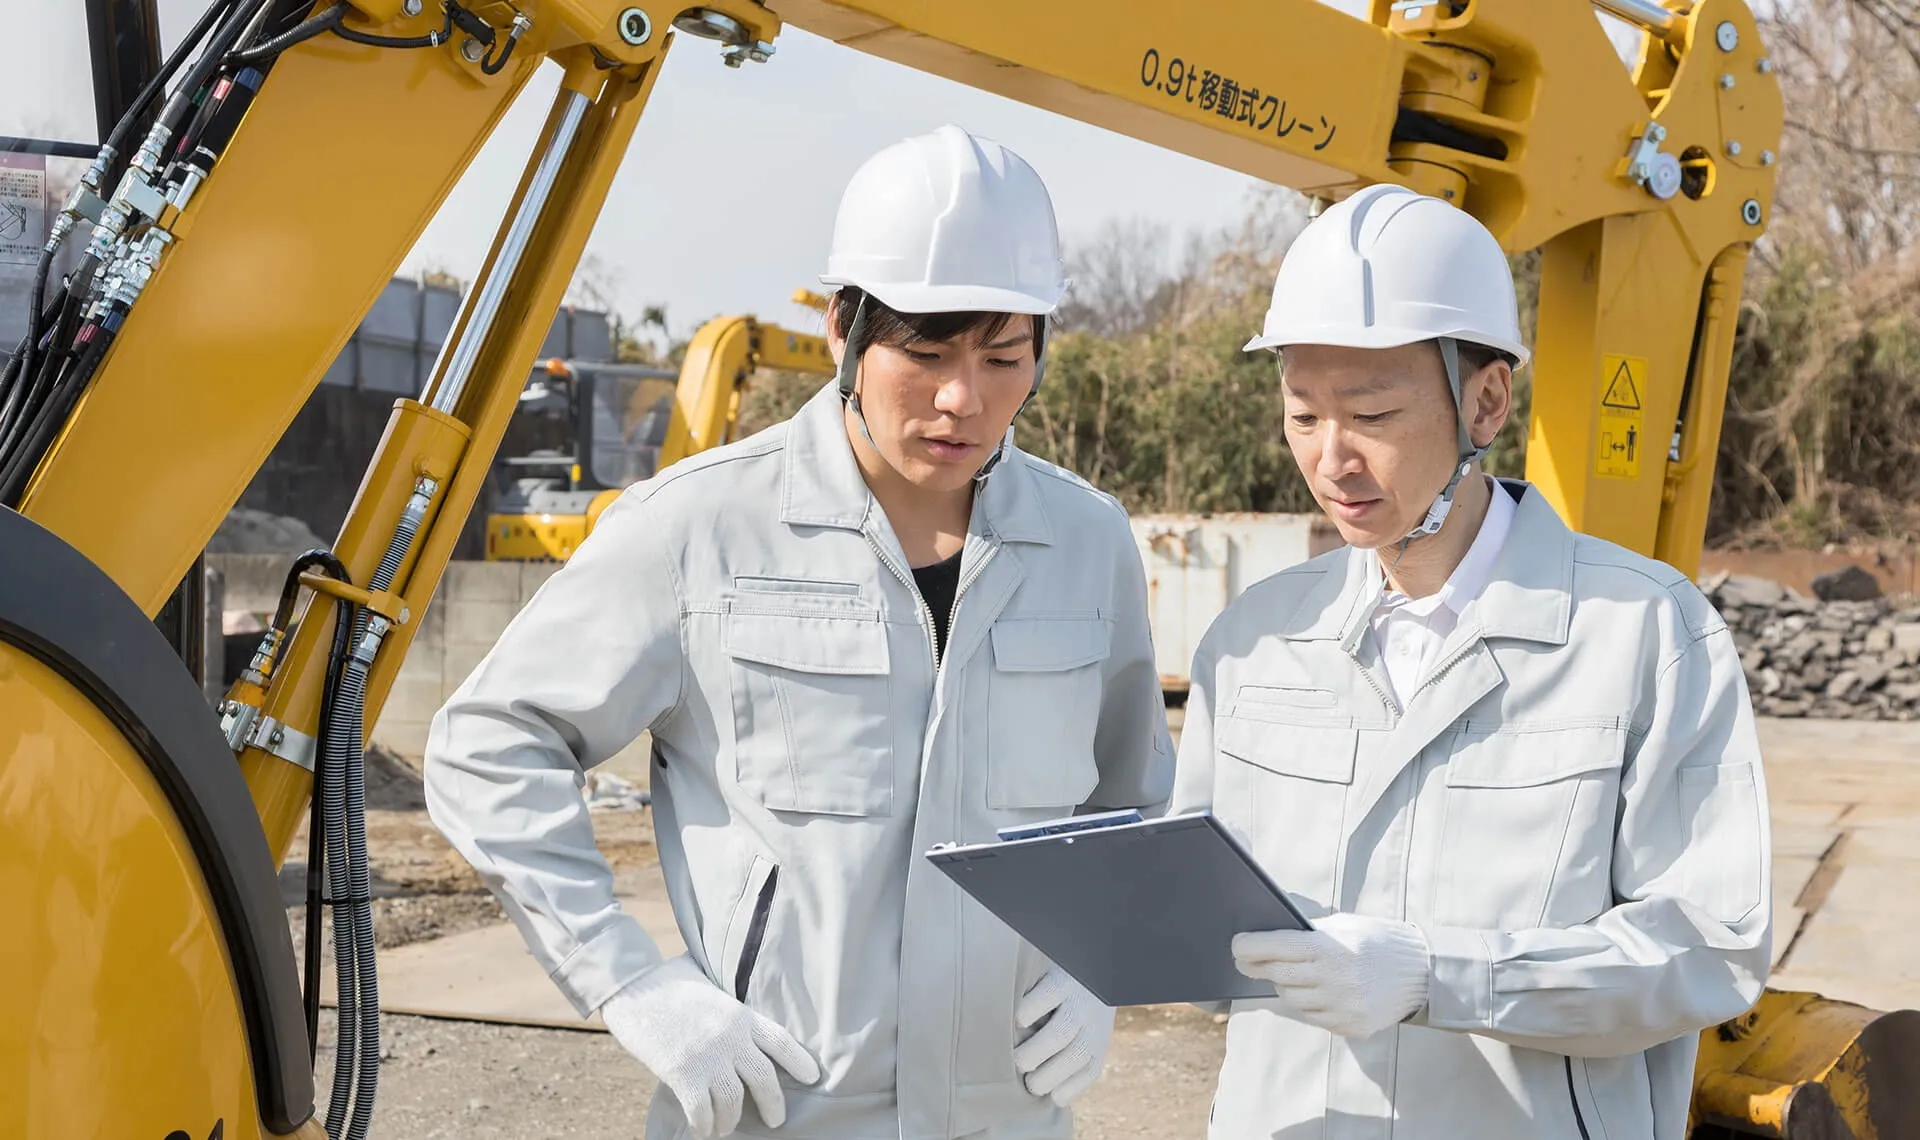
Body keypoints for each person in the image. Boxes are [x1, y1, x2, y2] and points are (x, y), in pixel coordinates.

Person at [422, 123, 1174, 1140]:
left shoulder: (1087, 543)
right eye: (926, 352)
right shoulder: (698, 530)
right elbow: (488, 744)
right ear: (842, 331)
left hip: (1012, 1116)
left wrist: (1100, 960)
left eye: (1004, 357)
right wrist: (633, 984)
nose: (965, 398)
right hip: (775, 1111)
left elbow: (1127, 801)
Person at [1171, 183, 1772, 1140]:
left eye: (1369, 413)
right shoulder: (1253, 643)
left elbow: (1707, 950)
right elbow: (1191, 919)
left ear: (1486, 399)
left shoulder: (1646, 637)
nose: (1332, 459)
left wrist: (1437, 976)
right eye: (1302, 415)